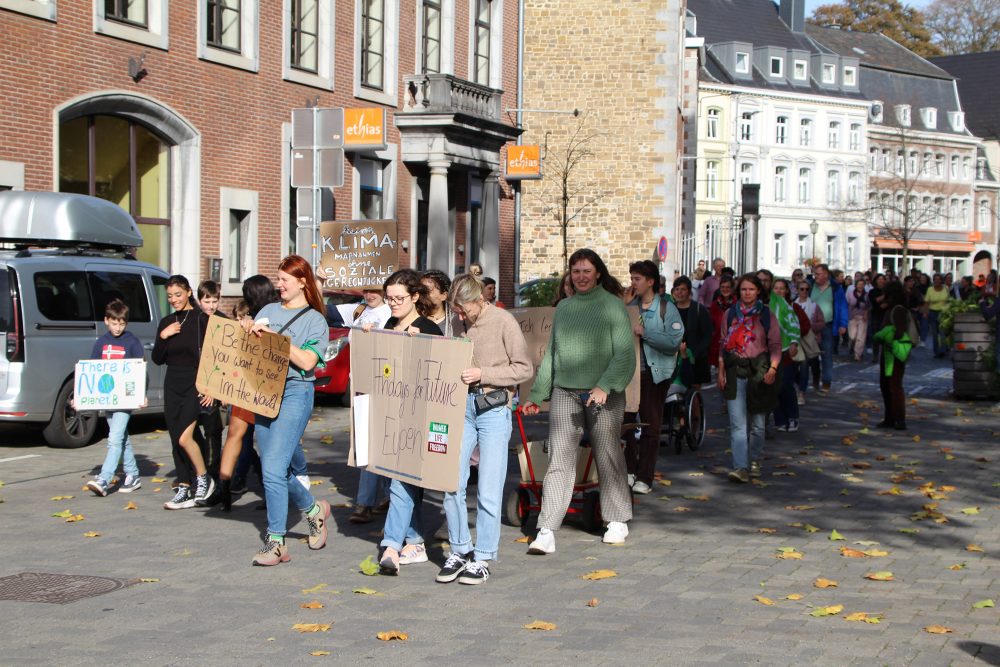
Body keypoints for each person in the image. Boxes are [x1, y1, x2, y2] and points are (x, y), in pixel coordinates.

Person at [522, 248, 635, 553]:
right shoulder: (565, 309)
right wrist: (536, 394)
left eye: (587, 271)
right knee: (559, 457)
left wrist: (605, 386)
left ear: (598, 272)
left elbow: (625, 355)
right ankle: (546, 529)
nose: (581, 277)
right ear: (569, 275)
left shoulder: (613, 306)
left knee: (607, 453)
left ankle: (616, 519)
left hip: (603, 395)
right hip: (566, 393)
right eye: (576, 272)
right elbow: (551, 358)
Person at [435, 274, 532, 585]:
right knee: (451, 480)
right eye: (457, 311)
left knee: (489, 488)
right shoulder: (454, 321)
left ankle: (484, 555)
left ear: (480, 300)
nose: (461, 316)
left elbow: (524, 368)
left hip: (492, 407)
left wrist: (484, 373)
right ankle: (460, 549)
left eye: (465, 310)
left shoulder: (503, 321)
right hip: (460, 407)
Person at [242, 255, 331, 566]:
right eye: (278, 279)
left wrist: (276, 340)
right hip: (264, 391)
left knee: (272, 470)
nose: (278, 285)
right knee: (273, 468)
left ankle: (276, 541)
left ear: (303, 282)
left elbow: (308, 362)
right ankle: (313, 510)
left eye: (284, 280)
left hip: (294, 391)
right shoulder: (267, 310)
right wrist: (246, 329)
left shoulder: (315, 320)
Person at [362, 269, 443, 575]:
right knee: (397, 481)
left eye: (399, 299)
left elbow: (438, 373)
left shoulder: (428, 329)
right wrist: (372, 341)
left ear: (415, 297)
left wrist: (420, 346)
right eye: (390, 298)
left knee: (400, 480)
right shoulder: (387, 324)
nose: (393, 304)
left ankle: (391, 545)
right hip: (390, 414)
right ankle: (415, 540)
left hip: (417, 416)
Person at [153, 275, 216, 510]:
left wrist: (212, 388)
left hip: (195, 383)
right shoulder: (167, 322)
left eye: (178, 295)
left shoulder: (202, 319)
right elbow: (158, 358)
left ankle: (203, 479)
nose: (173, 300)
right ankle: (183, 486)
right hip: (172, 384)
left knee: (184, 437)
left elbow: (215, 356)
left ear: (189, 292)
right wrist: (163, 336)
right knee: (175, 440)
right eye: (169, 296)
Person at [621, 260, 684, 494]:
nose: (633, 283)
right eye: (631, 278)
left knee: (650, 424)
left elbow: (673, 341)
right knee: (624, 423)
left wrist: (647, 333)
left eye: (637, 279)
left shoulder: (666, 308)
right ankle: (628, 469)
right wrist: (624, 308)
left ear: (650, 282)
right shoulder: (630, 305)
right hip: (629, 373)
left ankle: (645, 477)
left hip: (654, 374)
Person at [718, 274, 781, 483]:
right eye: (744, 289)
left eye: (751, 290)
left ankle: (754, 460)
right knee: (737, 424)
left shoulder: (766, 315)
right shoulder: (730, 314)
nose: (747, 293)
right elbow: (723, 344)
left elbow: (775, 345)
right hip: (735, 370)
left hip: (759, 372)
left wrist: (772, 368)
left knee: (758, 424)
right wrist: (721, 371)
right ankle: (741, 467)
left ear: (758, 292)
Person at [83, 299, 147, 496]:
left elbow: (140, 369)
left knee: (114, 438)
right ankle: (133, 473)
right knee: (121, 437)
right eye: (114, 323)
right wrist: (83, 395)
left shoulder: (132, 341)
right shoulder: (101, 343)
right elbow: (93, 370)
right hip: (108, 397)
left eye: (121, 323)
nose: (117, 327)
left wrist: (141, 393)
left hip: (125, 399)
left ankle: (104, 478)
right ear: (106, 321)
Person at [348, 286, 393, 525]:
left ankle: (364, 503)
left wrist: (375, 336)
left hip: (381, 384)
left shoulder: (389, 313)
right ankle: (386, 495)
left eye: (374, 290)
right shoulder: (360, 311)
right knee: (369, 444)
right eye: (366, 290)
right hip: (360, 382)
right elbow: (327, 310)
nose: (369, 295)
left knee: (369, 445)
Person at [196, 280, 224, 480]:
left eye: (215, 301)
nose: (211, 305)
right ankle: (200, 470)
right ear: (199, 301)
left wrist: (216, 389)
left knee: (213, 432)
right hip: (196, 382)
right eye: (207, 301)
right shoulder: (195, 320)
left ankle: (214, 474)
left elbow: (225, 359)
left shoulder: (223, 321)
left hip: (215, 385)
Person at [772, 279, 807, 432]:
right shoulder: (768, 306)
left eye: (782, 288)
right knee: (774, 387)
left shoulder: (793, 307)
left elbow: (804, 325)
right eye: (776, 288)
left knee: (786, 385)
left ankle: (793, 416)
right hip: (771, 352)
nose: (778, 291)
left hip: (787, 353)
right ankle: (780, 419)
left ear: (787, 291)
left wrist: (793, 340)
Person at [873, 304, 914, 430]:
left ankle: (898, 419)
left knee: (894, 386)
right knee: (886, 385)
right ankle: (890, 417)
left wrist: (887, 334)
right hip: (890, 353)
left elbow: (897, 332)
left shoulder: (897, 310)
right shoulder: (896, 309)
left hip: (893, 353)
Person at [810, 264, 847, 391]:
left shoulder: (836, 288)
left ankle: (826, 381)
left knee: (826, 354)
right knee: (811, 355)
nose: (816, 276)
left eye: (818, 274)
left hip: (828, 325)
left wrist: (843, 324)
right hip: (811, 326)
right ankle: (815, 377)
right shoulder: (810, 286)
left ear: (826, 274)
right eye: (815, 274)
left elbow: (842, 306)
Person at [670, 276, 713, 387]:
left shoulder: (700, 310)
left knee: (693, 391)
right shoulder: (670, 309)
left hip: (695, 358)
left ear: (689, 291)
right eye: (677, 289)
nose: (679, 292)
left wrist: (695, 353)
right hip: (674, 358)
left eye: (683, 289)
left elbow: (707, 335)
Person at [794, 281, 825, 405]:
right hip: (795, 339)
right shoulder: (792, 305)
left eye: (807, 289)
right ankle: (800, 384)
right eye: (802, 289)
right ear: (797, 290)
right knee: (795, 367)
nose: (804, 292)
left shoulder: (814, 306)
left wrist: (810, 326)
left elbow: (822, 323)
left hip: (809, 339)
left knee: (806, 365)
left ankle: (802, 393)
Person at [708, 276, 737, 367]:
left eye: (728, 287)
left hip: (734, 344)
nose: (725, 289)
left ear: (732, 289)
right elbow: (711, 325)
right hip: (716, 343)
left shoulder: (737, 304)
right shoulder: (714, 304)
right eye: (723, 287)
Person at [421, 270, 455, 337]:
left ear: (444, 296)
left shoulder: (454, 324)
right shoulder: (414, 319)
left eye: (428, 290)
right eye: (421, 290)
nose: (422, 294)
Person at [926, 274, 951, 358]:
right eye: (935, 279)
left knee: (942, 333)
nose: (937, 281)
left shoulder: (946, 289)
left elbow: (949, 300)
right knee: (934, 334)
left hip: (943, 313)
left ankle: (942, 351)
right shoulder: (930, 289)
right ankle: (936, 351)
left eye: (938, 279)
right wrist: (925, 312)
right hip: (933, 313)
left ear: (941, 280)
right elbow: (927, 301)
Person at [846, 277, 870, 362]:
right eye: (859, 284)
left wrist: (866, 313)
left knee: (861, 337)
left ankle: (857, 354)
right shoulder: (850, 294)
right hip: (852, 317)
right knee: (852, 336)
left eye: (862, 284)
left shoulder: (867, 295)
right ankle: (852, 346)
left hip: (862, 318)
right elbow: (847, 304)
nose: (860, 286)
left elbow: (868, 306)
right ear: (856, 285)